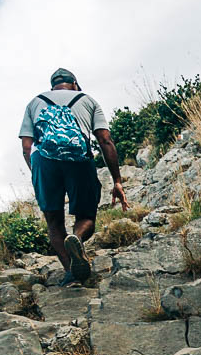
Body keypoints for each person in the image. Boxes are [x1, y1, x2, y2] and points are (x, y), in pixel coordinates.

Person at [19, 67, 128, 286]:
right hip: (79, 160)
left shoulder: (34, 102)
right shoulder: (87, 100)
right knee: (87, 215)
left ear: (53, 86)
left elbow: (26, 147)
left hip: (44, 162)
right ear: (75, 84)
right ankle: (76, 238)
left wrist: (38, 173)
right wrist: (116, 180)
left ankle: (71, 271)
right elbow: (105, 141)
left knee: (53, 220)